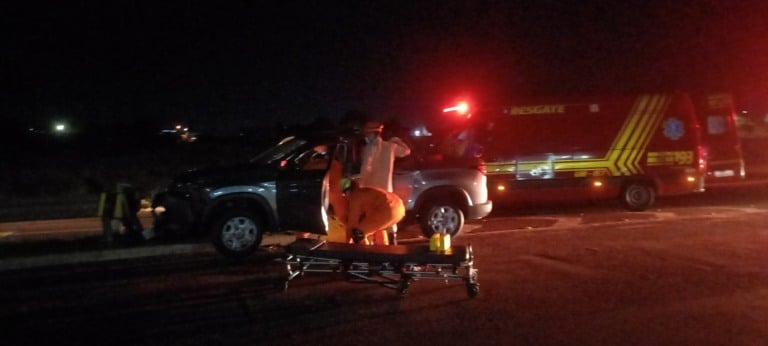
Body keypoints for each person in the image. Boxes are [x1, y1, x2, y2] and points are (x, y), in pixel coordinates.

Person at [341, 178, 405, 245]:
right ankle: (383, 251)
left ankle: (365, 254)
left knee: (357, 234)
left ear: (347, 192)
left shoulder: (355, 196)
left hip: (388, 209)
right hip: (399, 208)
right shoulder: (366, 192)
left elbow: (352, 225)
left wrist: (346, 245)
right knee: (377, 229)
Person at [359, 121, 411, 192]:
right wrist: (396, 140)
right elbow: (406, 151)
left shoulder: (369, 148)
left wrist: (360, 184)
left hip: (372, 190)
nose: (366, 137)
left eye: (367, 135)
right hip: (387, 190)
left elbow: (366, 168)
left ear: (372, 134)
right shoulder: (391, 147)